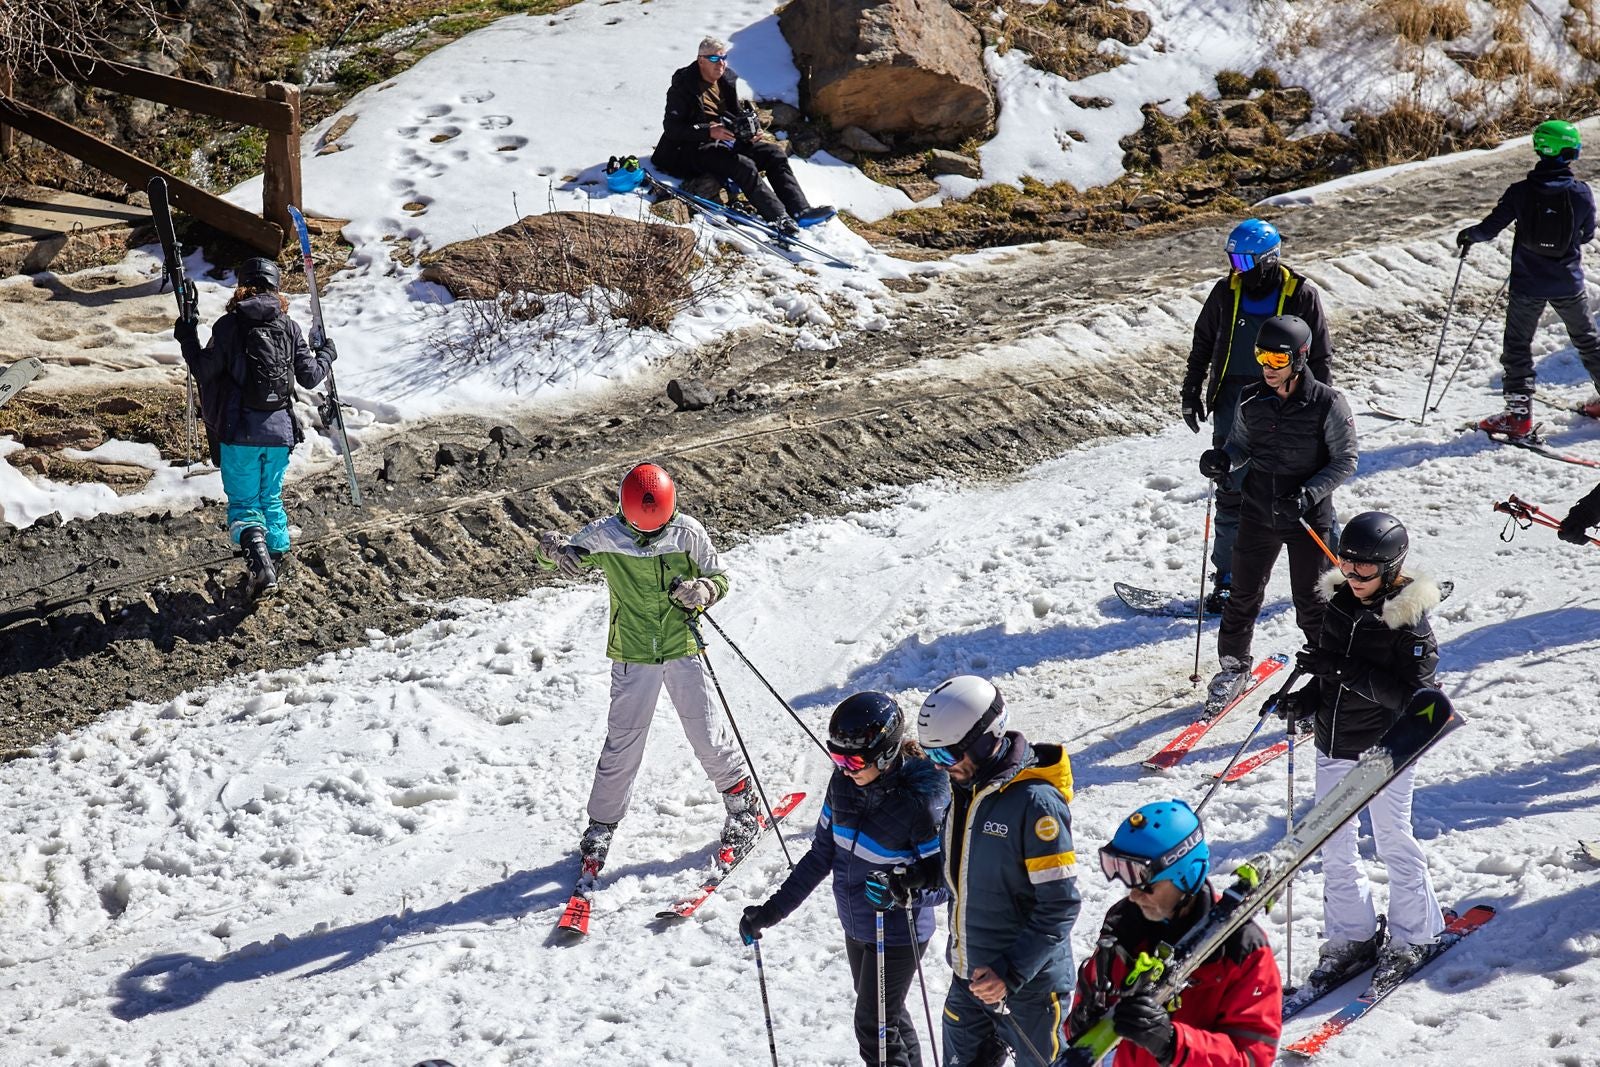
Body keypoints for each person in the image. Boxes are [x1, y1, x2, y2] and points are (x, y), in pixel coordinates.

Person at [534, 462, 757, 880]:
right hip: (633, 653)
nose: (651, 539)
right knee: (623, 744)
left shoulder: (688, 533)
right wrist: (549, 552)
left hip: (681, 648)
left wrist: (704, 590)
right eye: (643, 532)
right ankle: (600, 828)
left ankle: (743, 804)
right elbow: (566, 558)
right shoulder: (606, 534)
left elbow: (718, 577)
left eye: (658, 530)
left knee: (707, 733)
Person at [1274, 511, 1446, 991]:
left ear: (1391, 568)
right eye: (1346, 564)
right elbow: (1332, 677)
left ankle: (1417, 935)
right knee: (1333, 845)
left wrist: (1341, 669)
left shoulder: (1410, 626)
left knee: (1392, 839)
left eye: (1364, 569)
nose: (1352, 576)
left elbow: (1415, 700)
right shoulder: (1340, 604)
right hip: (1334, 740)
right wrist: (1305, 697)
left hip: (1388, 748)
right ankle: (1353, 936)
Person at [738, 692, 950, 1067]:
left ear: (885, 754)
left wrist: (904, 889)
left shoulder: (920, 805)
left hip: (898, 932)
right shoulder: (841, 788)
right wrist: (770, 913)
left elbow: (946, 882)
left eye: (851, 759)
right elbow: (821, 856)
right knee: (890, 1018)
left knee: (873, 1027)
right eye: (835, 756)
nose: (843, 768)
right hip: (857, 924)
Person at [915, 675, 1080, 1067]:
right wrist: (920, 878)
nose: (941, 768)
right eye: (932, 757)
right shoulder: (963, 790)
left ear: (985, 740)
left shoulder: (1036, 804)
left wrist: (1010, 972)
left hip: (1031, 990)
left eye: (946, 757)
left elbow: (1060, 906)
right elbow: (967, 869)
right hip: (969, 978)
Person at [1198, 313, 1358, 712]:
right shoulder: (1252, 398)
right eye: (1261, 356)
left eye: (1277, 358)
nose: (1267, 367)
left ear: (1299, 358)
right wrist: (1222, 460)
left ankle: (1328, 678)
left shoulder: (1328, 403)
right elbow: (1240, 447)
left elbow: (1345, 460)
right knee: (1242, 595)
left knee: (1312, 602)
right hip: (1258, 512)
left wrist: (1308, 494)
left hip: (1306, 517)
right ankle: (1234, 668)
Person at [1183, 218, 1335, 613]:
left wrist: (1317, 406)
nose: (1237, 268)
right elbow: (1202, 343)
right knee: (1231, 489)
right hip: (1235, 398)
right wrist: (1191, 389)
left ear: (1268, 259)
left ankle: (1342, 571)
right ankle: (1229, 579)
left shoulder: (1300, 294)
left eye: (1244, 260)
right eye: (1232, 259)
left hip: (1286, 397)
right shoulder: (1225, 291)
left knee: (1302, 491)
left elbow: (1319, 356)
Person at [1064, 799, 1282, 1066]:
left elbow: (1251, 1057)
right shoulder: (1125, 924)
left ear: (1186, 876)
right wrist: (1081, 1020)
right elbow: (1088, 1001)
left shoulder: (1242, 950)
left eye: (1146, 885)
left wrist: (1171, 1043)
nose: (1133, 895)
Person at [175, 256, 335, 597]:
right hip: (279, 435)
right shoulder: (289, 327)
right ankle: (276, 566)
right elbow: (310, 375)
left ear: (241, 287)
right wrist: (327, 354)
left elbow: (204, 371)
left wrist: (187, 337)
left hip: (239, 434)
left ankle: (263, 570)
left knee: (246, 505)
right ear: (276, 288)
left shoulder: (228, 326)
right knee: (270, 500)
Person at [1458, 119, 1600, 435]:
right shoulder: (1580, 193)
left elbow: (1489, 228)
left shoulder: (1520, 192)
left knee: (1518, 347)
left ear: (1541, 149)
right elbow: (1587, 234)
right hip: (1567, 281)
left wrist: (1468, 236)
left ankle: (1518, 416)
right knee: (1587, 341)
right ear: (1569, 153)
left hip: (1527, 284)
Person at [651, 37, 834, 235]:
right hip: (691, 149)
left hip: (726, 141)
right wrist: (708, 131)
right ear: (700, 60)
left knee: (773, 154)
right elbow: (672, 128)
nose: (720, 63)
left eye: (723, 57)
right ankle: (778, 218)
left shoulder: (726, 80)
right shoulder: (683, 87)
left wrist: (751, 131)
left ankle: (800, 210)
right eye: (714, 58)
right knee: (743, 165)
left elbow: (735, 113)